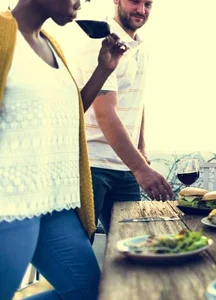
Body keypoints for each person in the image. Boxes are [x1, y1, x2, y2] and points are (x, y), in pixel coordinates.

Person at [0, 0, 128, 298]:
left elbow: (68, 115)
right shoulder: (3, 34)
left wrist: (103, 71)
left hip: (54, 202)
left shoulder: (51, 44)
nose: (80, 3)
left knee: (90, 292)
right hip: (11, 203)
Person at [73, 0, 173, 235]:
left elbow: (137, 103)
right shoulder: (100, 41)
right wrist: (141, 169)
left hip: (126, 166)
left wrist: (141, 151)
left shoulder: (141, 48)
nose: (141, 10)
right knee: (79, 245)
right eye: (135, 2)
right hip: (93, 166)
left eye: (148, 4)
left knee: (132, 245)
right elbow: (104, 114)